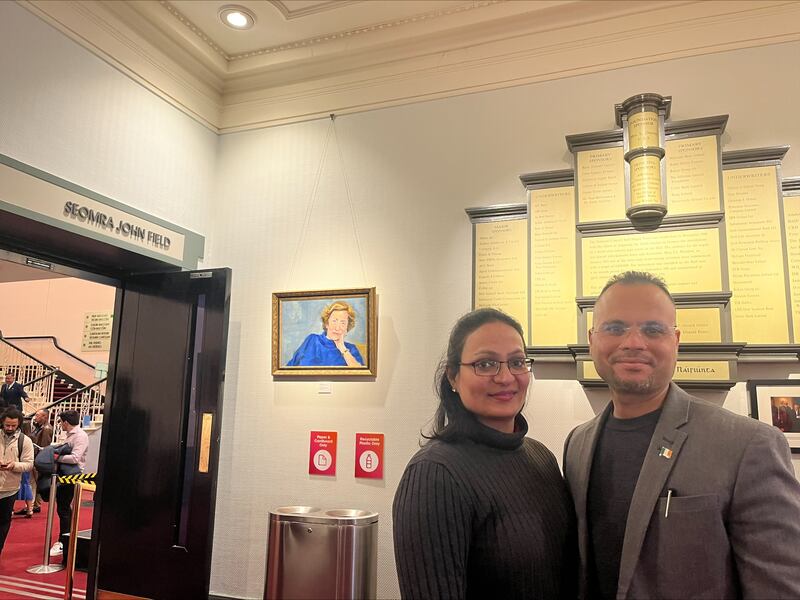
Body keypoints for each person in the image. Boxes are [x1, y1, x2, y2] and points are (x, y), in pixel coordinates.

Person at [563, 271, 800, 599]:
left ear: (675, 341)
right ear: (592, 339)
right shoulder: (577, 443)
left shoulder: (749, 445)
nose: (633, 342)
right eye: (615, 328)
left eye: (653, 329)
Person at [393, 308, 574, 599]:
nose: (505, 377)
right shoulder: (435, 475)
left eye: (516, 362)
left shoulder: (541, 458)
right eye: (486, 364)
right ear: (453, 376)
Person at [50, 410, 89, 557]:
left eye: (61, 422)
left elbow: (75, 458)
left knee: (64, 508)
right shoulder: (68, 435)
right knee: (63, 508)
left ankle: (63, 541)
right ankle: (68, 536)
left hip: (72, 475)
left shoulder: (80, 436)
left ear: (65, 422)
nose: (60, 425)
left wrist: (54, 456)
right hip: (64, 474)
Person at [286, 301, 365, 367]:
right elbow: (289, 367)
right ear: (327, 323)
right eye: (334, 321)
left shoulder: (351, 349)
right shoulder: (312, 340)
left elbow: (361, 374)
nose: (337, 327)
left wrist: (342, 348)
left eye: (343, 322)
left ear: (347, 327)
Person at [0, 408, 34, 556]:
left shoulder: (25, 441)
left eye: (13, 425)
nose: (10, 428)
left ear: (19, 423)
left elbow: (29, 464)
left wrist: (14, 465)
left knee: (2, 525)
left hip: (9, 489)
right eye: (7, 425)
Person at [17, 409, 53, 515]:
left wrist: (37, 461)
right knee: (33, 483)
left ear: (45, 417)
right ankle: (34, 505)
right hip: (35, 458)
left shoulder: (46, 429)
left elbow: (43, 447)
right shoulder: (38, 428)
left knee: (33, 483)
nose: (35, 417)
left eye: (38, 415)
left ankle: (32, 506)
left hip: (37, 459)